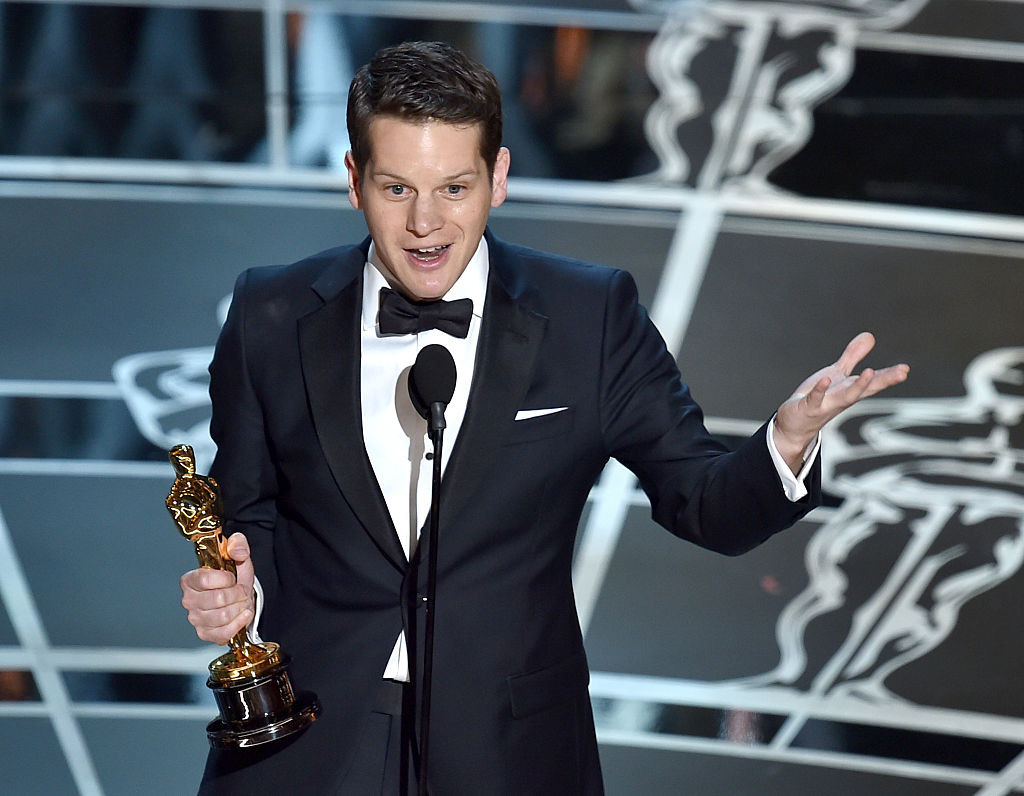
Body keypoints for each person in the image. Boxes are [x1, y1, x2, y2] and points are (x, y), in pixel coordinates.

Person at [179, 40, 909, 794]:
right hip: (306, 739)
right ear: (355, 181)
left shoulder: (588, 316)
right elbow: (249, 512)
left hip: (511, 749)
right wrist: (240, 596)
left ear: (498, 178)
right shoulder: (271, 312)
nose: (426, 224)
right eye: (397, 190)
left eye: (454, 188)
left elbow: (705, 504)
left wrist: (787, 441)